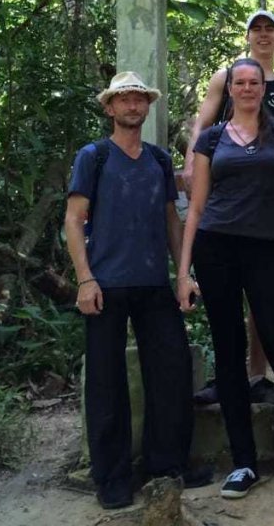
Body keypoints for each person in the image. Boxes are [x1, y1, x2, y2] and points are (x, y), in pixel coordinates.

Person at [179, 58, 274, 511]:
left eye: (254, 82)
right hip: (214, 250)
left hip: (264, 250)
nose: (247, 88)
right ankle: (244, 462)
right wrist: (184, 272)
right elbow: (199, 207)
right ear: (229, 89)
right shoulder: (211, 139)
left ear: (264, 87)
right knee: (227, 354)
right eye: (239, 82)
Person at [65, 72, 210, 510]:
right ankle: (111, 477)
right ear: (110, 108)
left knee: (171, 370)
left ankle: (166, 464)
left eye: (139, 100)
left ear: (147, 108)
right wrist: (85, 279)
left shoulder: (159, 160)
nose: (132, 106)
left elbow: (171, 220)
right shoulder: (94, 157)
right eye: (124, 100)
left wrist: (182, 273)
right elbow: (74, 220)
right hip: (105, 284)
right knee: (106, 383)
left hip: (152, 282)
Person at [185, 9, 274, 406]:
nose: (264, 35)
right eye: (257, 29)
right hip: (221, 190)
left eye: (270, 29)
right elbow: (202, 126)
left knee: (264, 301)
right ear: (248, 36)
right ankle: (226, 376)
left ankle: (257, 376)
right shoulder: (228, 77)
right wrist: (189, 166)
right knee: (225, 299)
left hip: (263, 203)